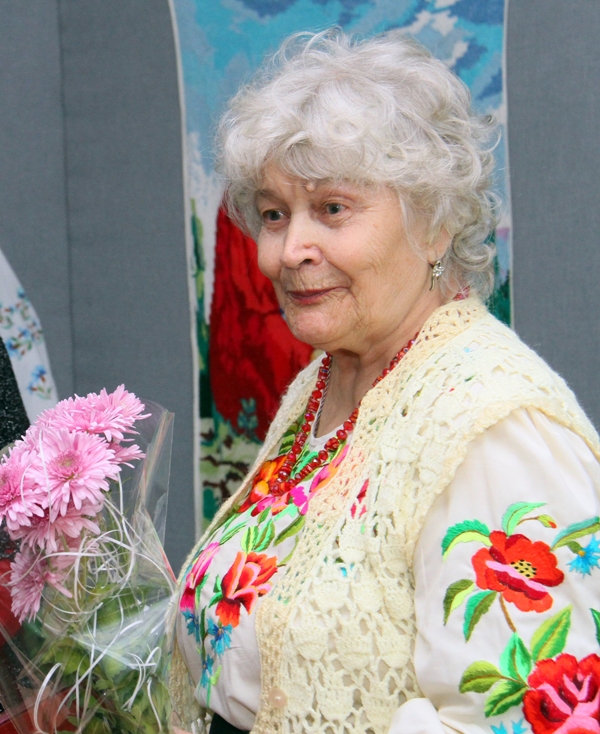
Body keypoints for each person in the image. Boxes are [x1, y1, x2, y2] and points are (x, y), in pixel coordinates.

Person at [169, 30, 600, 734]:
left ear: (433, 224)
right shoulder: (325, 384)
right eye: (275, 214)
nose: (289, 250)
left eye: (332, 209)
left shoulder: (493, 429)